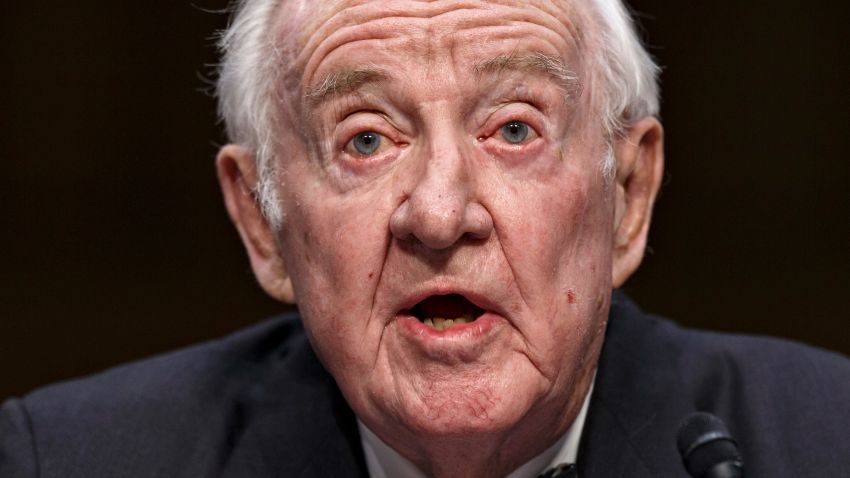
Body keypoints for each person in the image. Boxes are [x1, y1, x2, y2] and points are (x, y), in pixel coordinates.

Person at [1, 0, 848, 477]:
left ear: (626, 195)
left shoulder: (823, 443)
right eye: (365, 140)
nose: (440, 216)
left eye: (514, 130)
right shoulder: (66, 461)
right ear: (262, 222)